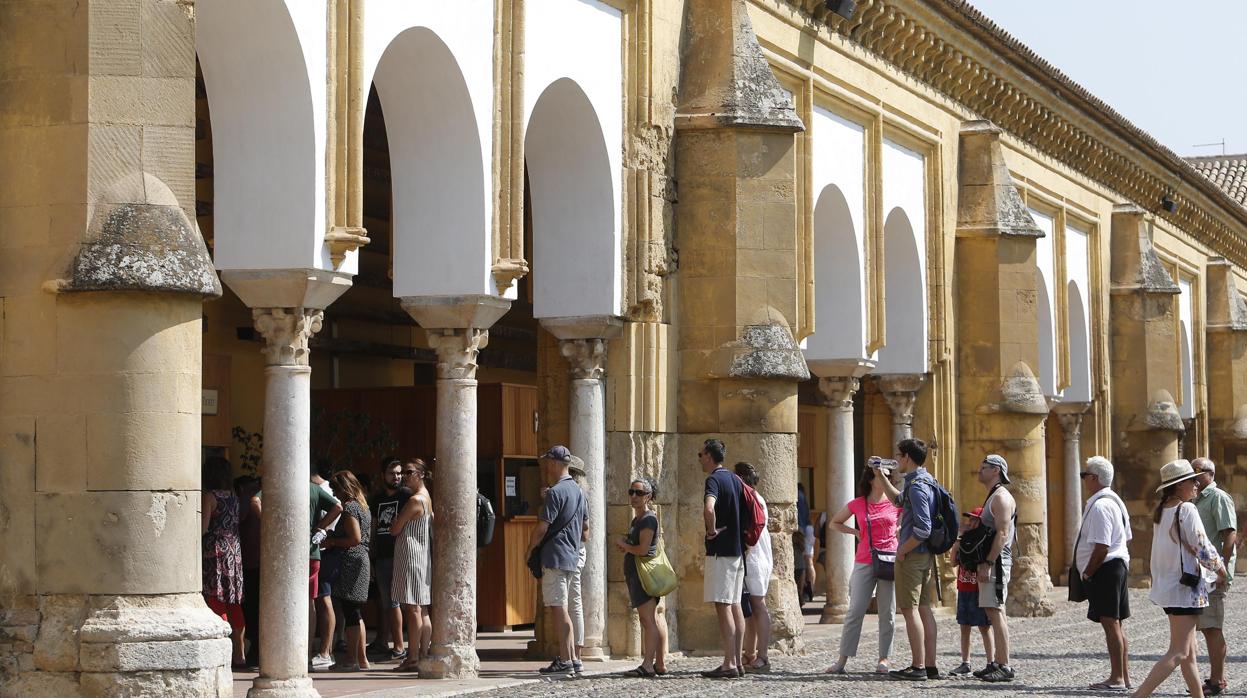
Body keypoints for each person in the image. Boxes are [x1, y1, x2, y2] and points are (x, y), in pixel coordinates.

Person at [1132, 459, 1228, 698]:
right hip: (1186, 589)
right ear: (1179, 485)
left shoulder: (1163, 510)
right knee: (1178, 653)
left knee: (1189, 654)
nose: (1197, 484)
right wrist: (1220, 569)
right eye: (1192, 481)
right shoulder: (1187, 509)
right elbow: (1201, 545)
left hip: (1170, 587)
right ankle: (1138, 695)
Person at [826, 459, 900, 675]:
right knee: (855, 611)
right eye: (880, 474)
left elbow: (909, 522)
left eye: (887, 474)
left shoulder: (896, 503)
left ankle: (884, 658)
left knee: (888, 613)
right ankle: (842, 660)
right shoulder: (858, 503)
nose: (885, 478)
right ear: (871, 478)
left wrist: (900, 529)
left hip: (889, 561)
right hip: (864, 561)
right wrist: (856, 533)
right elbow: (834, 523)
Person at [879, 438, 942, 681]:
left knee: (909, 609)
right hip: (924, 555)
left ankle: (918, 666)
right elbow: (898, 501)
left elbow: (923, 528)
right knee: (924, 609)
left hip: (913, 555)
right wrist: (882, 476)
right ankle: (930, 665)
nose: (897, 459)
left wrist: (903, 550)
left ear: (907, 457)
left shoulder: (917, 486)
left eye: (898, 455)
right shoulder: (924, 481)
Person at [528, 445, 588, 677]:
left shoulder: (555, 492)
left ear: (554, 463)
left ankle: (565, 658)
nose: (546, 466)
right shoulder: (578, 491)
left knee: (558, 609)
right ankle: (573, 659)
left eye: (547, 462)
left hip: (555, 556)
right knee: (569, 608)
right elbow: (585, 529)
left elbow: (543, 527)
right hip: (572, 555)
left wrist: (530, 549)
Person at [1075, 456, 1132, 691]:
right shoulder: (1115, 501)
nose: (1083, 479)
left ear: (1093, 478)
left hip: (1106, 569)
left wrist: (1088, 573)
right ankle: (1124, 677)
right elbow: (1127, 536)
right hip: (1115, 566)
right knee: (1116, 624)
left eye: (1084, 475)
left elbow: (1101, 547)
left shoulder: (1101, 505)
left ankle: (1117, 678)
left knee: (1111, 624)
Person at [699, 439, 745, 679]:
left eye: (700, 454)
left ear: (709, 456)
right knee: (735, 604)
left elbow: (709, 508)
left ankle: (729, 663)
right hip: (737, 551)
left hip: (721, 551)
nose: (700, 459)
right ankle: (737, 660)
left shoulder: (714, 480)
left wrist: (711, 530)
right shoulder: (735, 480)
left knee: (723, 605)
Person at [615, 476, 669, 678]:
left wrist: (626, 545)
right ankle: (660, 664)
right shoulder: (638, 519)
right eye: (631, 492)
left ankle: (648, 664)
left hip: (643, 575)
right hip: (638, 574)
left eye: (638, 493)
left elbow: (644, 549)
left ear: (648, 496)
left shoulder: (647, 519)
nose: (634, 496)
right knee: (654, 618)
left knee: (648, 621)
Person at [1192, 457, 1237, 696]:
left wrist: (1222, 570)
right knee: (1206, 626)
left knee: (1212, 627)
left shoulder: (1217, 497)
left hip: (1214, 573)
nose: (1193, 476)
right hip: (1203, 572)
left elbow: (1229, 534)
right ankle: (1216, 677)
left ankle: (1217, 681)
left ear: (1209, 473)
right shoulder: (1197, 499)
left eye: (1196, 471)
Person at [323, 471, 372, 671]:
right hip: (362, 559)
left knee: (351, 611)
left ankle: (351, 659)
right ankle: (362, 659)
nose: (335, 494)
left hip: (352, 561)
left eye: (336, 489)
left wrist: (333, 540)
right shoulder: (364, 506)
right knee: (355, 612)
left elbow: (355, 539)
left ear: (344, 488)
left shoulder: (350, 507)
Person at [974, 454, 1016, 683]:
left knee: (996, 612)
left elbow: (1002, 533)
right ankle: (998, 662)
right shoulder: (994, 496)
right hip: (994, 562)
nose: (979, 470)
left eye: (984, 467)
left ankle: (1005, 666)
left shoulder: (1000, 497)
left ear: (996, 470)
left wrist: (988, 562)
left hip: (997, 564)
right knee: (993, 611)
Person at [390, 458, 433, 673]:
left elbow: (395, 528)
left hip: (411, 555)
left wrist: (396, 522)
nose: (405, 476)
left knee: (413, 607)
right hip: (421, 556)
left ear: (421, 474)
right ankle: (422, 653)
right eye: (404, 473)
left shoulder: (415, 500)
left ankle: (414, 656)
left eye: (409, 472)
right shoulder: (427, 498)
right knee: (422, 608)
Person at [201, 456, 245, 668]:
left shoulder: (210, 496)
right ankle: (240, 652)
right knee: (233, 600)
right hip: (234, 550)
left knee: (215, 596)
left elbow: (203, 527)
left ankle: (223, 650)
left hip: (215, 550)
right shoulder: (234, 495)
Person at [368, 457, 410, 661]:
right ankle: (392, 644)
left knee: (403, 603)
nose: (397, 477)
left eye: (399, 473)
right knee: (388, 603)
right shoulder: (377, 499)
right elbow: (374, 528)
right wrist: (371, 554)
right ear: (383, 475)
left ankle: (401, 646)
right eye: (392, 473)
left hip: (401, 554)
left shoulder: (407, 496)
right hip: (382, 557)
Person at [735, 462, 773, 674]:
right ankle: (750, 652)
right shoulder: (752, 498)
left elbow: (754, 530)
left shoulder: (752, 499)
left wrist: (746, 544)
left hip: (755, 557)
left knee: (758, 605)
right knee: (748, 607)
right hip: (754, 557)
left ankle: (763, 656)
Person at [949, 507, 993, 677]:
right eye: (970, 519)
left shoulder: (984, 541)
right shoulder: (964, 541)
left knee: (984, 627)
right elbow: (953, 563)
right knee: (964, 626)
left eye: (975, 520)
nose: (971, 523)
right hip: (964, 587)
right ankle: (965, 662)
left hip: (978, 589)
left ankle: (990, 661)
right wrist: (956, 546)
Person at [310, 460, 340, 670]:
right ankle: (322, 650)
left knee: (323, 600)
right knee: (318, 601)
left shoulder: (321, 490)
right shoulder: (320, 489)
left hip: (325, 550)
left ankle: (325, 651)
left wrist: (319, 528)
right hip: (321, 549)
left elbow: (336, 510)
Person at [235, 475, 262, 668]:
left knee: (251, 608)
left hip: (251, 561)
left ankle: (254, 649)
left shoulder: (249, 499)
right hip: (257, 560)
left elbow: (239, 518)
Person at [797, 483, 816, 603]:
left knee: (801, 563)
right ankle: (811, 588)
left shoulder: (797, 495)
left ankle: (802, 591)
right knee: (809, 562)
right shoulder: (803, 496)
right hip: (809, 528)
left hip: (801, 530)